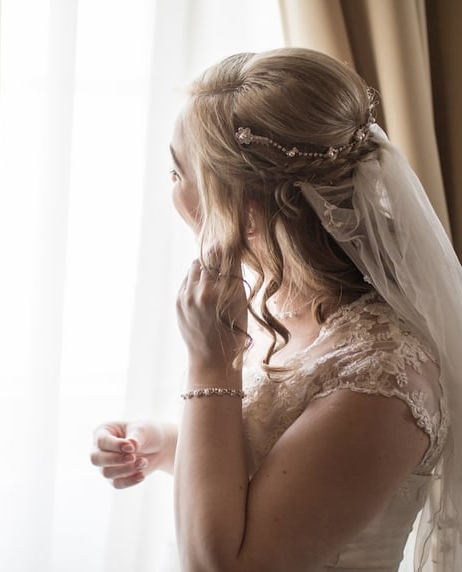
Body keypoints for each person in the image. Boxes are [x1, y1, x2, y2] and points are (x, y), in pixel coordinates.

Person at [90, 48, 462, 571]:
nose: (171, 190)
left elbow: (222, 566)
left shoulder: (380, 378)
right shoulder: (280, 305)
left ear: (244, 209)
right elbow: (274, 468)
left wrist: (209, 366)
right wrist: (164, 444)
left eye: (178, 174)